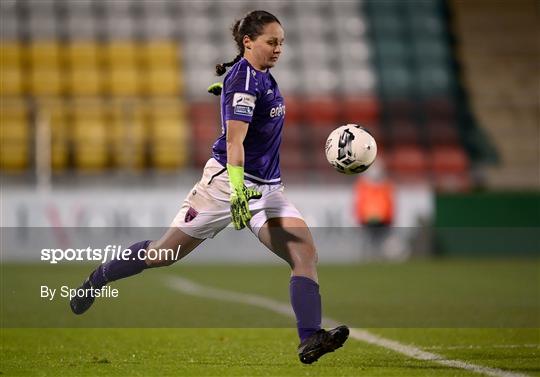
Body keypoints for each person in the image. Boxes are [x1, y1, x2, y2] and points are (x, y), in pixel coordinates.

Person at [70, 10, 348, 364]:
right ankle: (97, 278)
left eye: (282, 42)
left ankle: (310, 338)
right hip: (225, 185)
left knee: (304, 253)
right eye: (271, 42)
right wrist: (236, 190)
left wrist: (228, 98)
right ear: (249, 42)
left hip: (267, 191)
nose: (279, 49)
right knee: (162, 254)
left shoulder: (258, 76)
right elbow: (235, 143)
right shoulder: (246, 80)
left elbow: (247, 111)